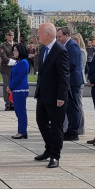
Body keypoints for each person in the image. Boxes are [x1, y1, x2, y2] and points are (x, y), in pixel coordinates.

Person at [34, 23, 70, 169]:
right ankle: (48, 149)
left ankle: (55, 155)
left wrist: (61, 96)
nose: (38, 36)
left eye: (40, 33)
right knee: (41, 122)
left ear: (48, 34)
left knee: (56, 126)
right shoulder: (43, 50)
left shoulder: (60, 50)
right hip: (43, 94)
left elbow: (64, 75)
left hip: (56, 96)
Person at [55, 27, 83, 141]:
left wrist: (58, 66)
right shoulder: (66, 46)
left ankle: (73, 132)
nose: (58, 39)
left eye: (59, 36)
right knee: (68, 107)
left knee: (73, 107)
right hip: (67, 81)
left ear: (66, 35)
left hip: (73, 81)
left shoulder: (73, 46)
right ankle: (70, 130)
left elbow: (73, 64)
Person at [7, 43, 30, 139]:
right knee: (18, 111)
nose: (13, 52)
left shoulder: (23, 62)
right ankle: (21, 130)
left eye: (15, 50)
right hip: (17, 89)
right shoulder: (18, 62)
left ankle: (22, 131)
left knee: (21, 111)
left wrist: (10, 86)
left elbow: (19, 77)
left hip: (20, 89)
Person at [0, 30, 17, 111]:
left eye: (12, 35)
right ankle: (7, 103)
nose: (10, 37)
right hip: (6, 68)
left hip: (15, 68)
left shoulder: (17, 45)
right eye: (8, 35)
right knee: (7, 85)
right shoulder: (3, 45)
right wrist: (13, 61)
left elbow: (19, 55)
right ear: (6, 36)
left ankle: (13, 102)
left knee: (14, 85)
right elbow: (3, 57)